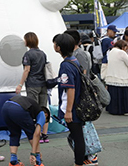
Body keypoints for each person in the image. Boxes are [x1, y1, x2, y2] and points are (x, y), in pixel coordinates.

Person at [53, 33, 85, 166]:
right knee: (78, 137)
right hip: (79, 104)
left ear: (59, 48)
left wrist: (68, 111)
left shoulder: (65, 65)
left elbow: (70, 88)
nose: (54, 46)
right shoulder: (74, 60)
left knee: (78, 138)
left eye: (55, 44)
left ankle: (79, 163)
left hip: (73, 107)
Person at [15, 31, 49, 143]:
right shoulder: (42, 53)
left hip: (32, 85)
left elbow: (27, 70)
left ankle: (36, 134)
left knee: (34, 111)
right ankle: (44, 134)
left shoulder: (28, 55)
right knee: (44, 109)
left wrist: (20, 85)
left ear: (28, 41)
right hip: (43, 84)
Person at [1, 95, 49, 166]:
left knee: (14, 133)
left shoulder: (33, 107)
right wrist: (34, 153)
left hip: (5, 107)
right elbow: (36, 134)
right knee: (32, 134)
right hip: (18, 108)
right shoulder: (41, 114)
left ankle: (13, 161)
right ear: (46, 115)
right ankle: (38, 161)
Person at [105, 39, 128, 115]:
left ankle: (112, 109)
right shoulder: (121, 53)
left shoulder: (111, 51)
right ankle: (126, 110)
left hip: (111, 77)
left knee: (114, 95)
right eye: (126, 47)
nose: (127, 50)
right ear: (123, 46)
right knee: (125, 94)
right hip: (122, 77)